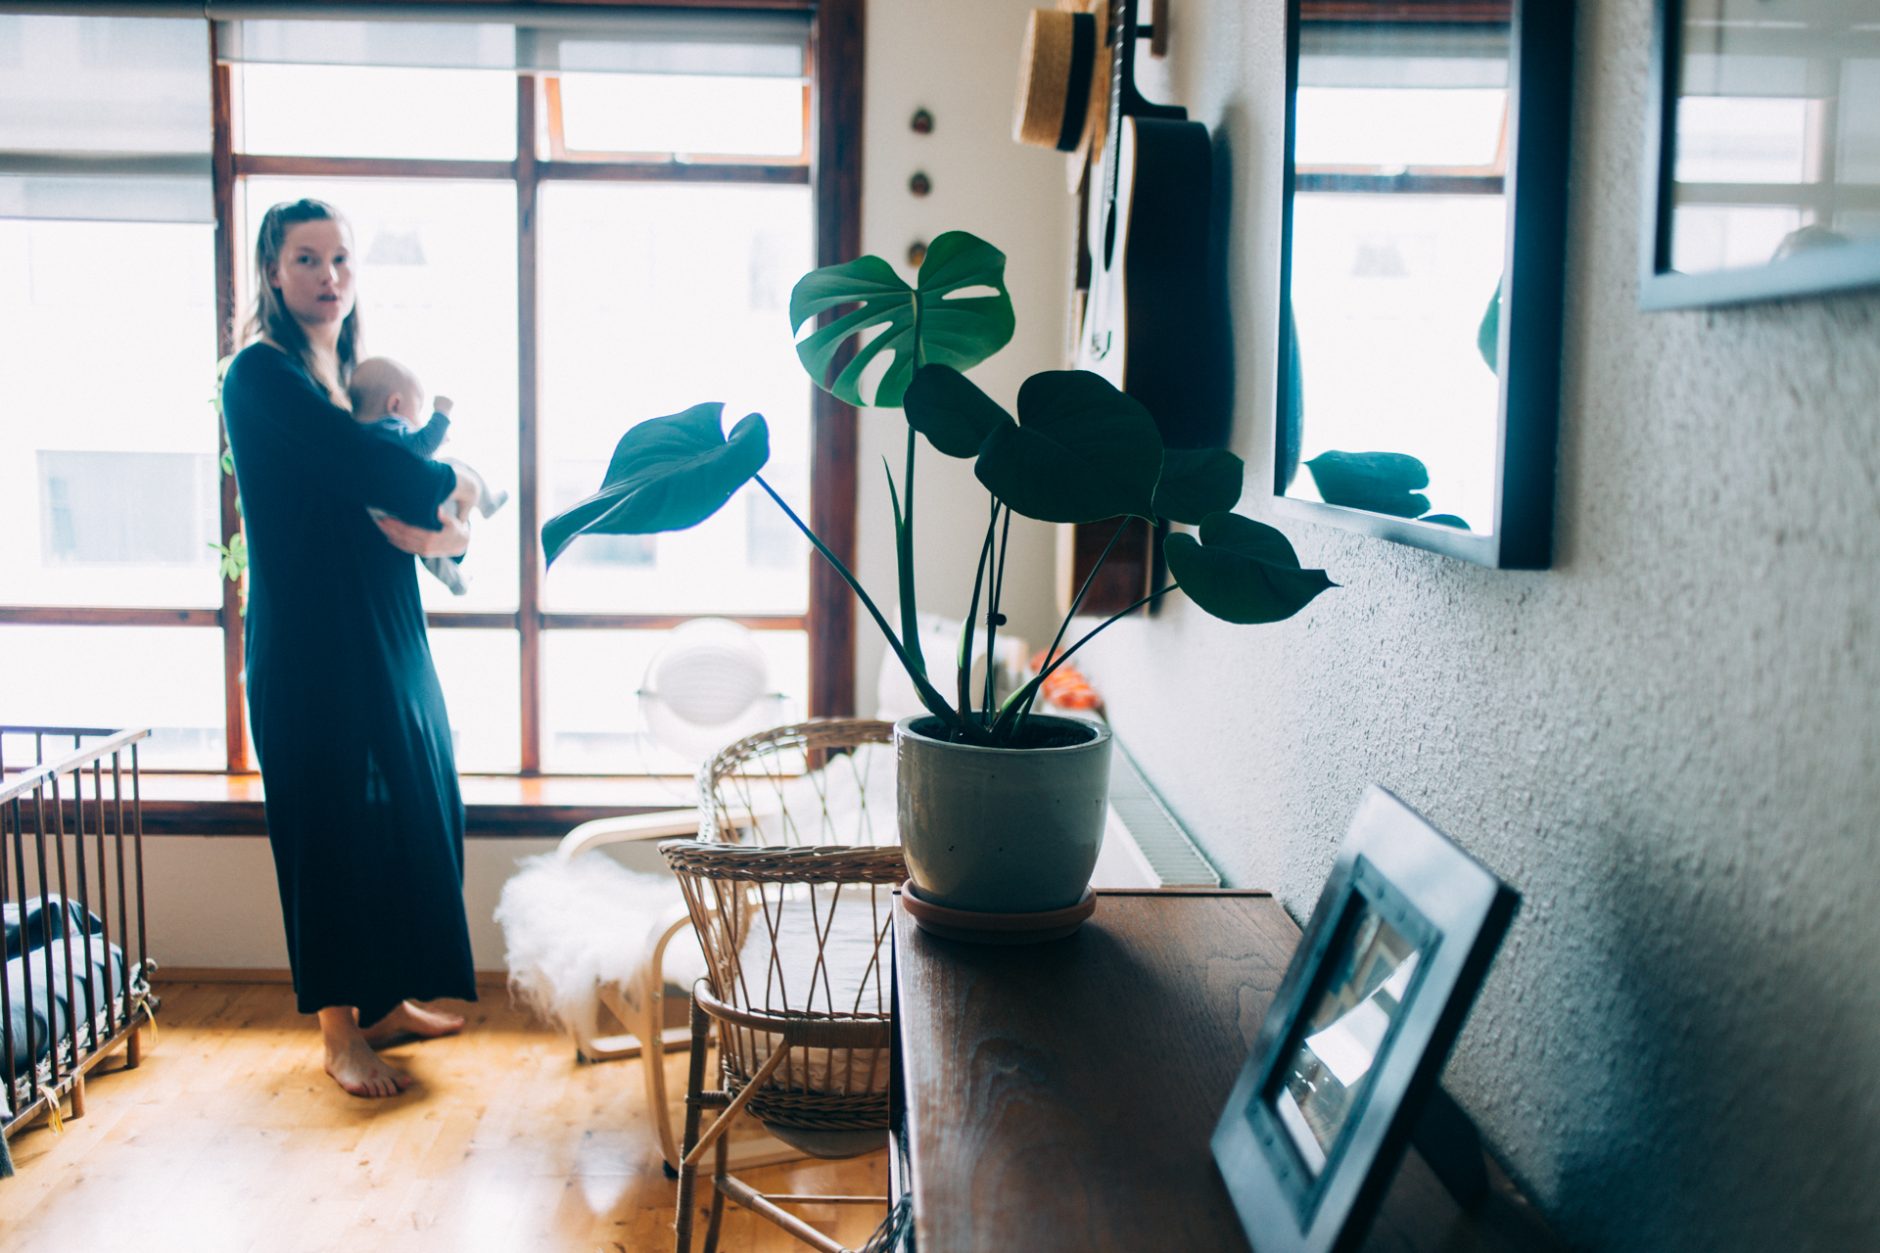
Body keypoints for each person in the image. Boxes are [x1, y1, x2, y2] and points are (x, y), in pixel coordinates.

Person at [220, 198, 483, 1099]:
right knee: (329, 825)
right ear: (273, 271)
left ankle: (387, 998)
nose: (328, 275)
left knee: (408, 805)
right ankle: (340, 1032)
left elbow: (413, 497)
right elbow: (382, 470)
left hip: (385, 630)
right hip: (310, 643)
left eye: (339, 258)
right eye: (306, 258)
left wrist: (450, 519)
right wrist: (461, 482)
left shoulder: (350, 375)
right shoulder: (262, 374)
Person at [347, 356, 508, 596]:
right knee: (455, 465)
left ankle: (456, 581)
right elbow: (422, 446)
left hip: (385, 515)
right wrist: (442, 413)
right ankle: (487, 503)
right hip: (414, 503)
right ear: (395, 404)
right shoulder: (390, 426)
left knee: (427, 549)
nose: (419, 421)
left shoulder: (362, 436)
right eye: (418, 409)